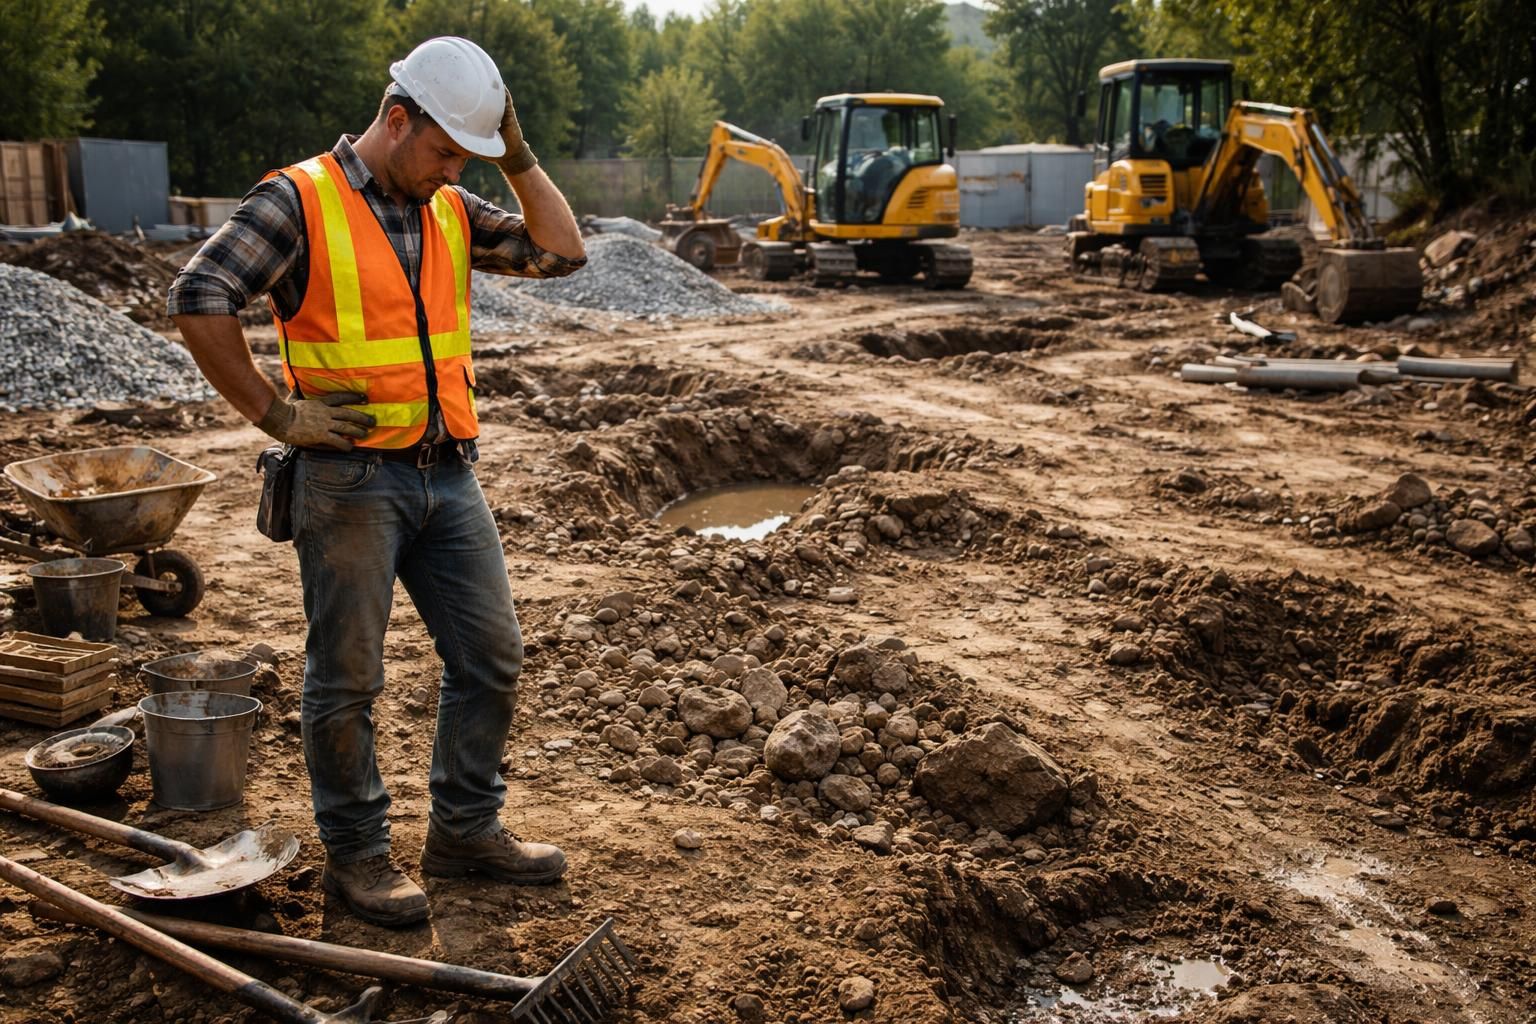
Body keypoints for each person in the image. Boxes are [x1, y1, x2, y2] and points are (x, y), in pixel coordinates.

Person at [167, 36, 585, 927]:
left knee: (492, 657)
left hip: (446, 476)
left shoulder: (448, 206)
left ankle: (465, 831)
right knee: (347, 678)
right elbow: (198, 295)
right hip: (349, 482)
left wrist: (516, 156)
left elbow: (561, 252)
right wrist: (275, 414)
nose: (449, 170)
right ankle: (356, 857)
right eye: (442, 151)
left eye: (464, 159)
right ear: (397, 121)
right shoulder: (299, 200)